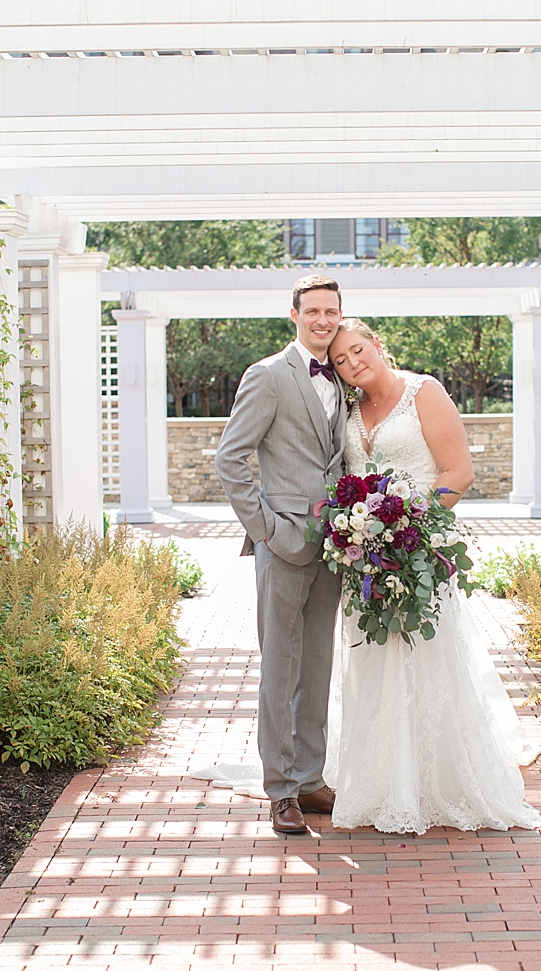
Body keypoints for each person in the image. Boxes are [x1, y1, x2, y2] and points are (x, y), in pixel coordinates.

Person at [322, 318, 541, 835]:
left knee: (428, 657)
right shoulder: (348, 412)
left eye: (358, 350)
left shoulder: (424, 391)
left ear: (378, 344)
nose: (353, 363)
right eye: (340, 361)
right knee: (372, 660)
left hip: (421, 548)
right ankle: (379, 778)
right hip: (369, 561)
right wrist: (364, 534)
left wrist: (410, 523)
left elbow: (458, 473)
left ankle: (437, 777)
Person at [214, 274, 348, 835]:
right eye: (313, 311)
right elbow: (231, 458)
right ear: (293, 315)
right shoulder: (267, 375)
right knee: (280, 669)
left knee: (318, 665)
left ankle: (311, 779)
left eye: (332, 312)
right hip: (283, 541)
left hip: (336, 544)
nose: (323, 320)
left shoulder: (342, 377)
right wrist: (266, 529)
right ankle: (280, 790)